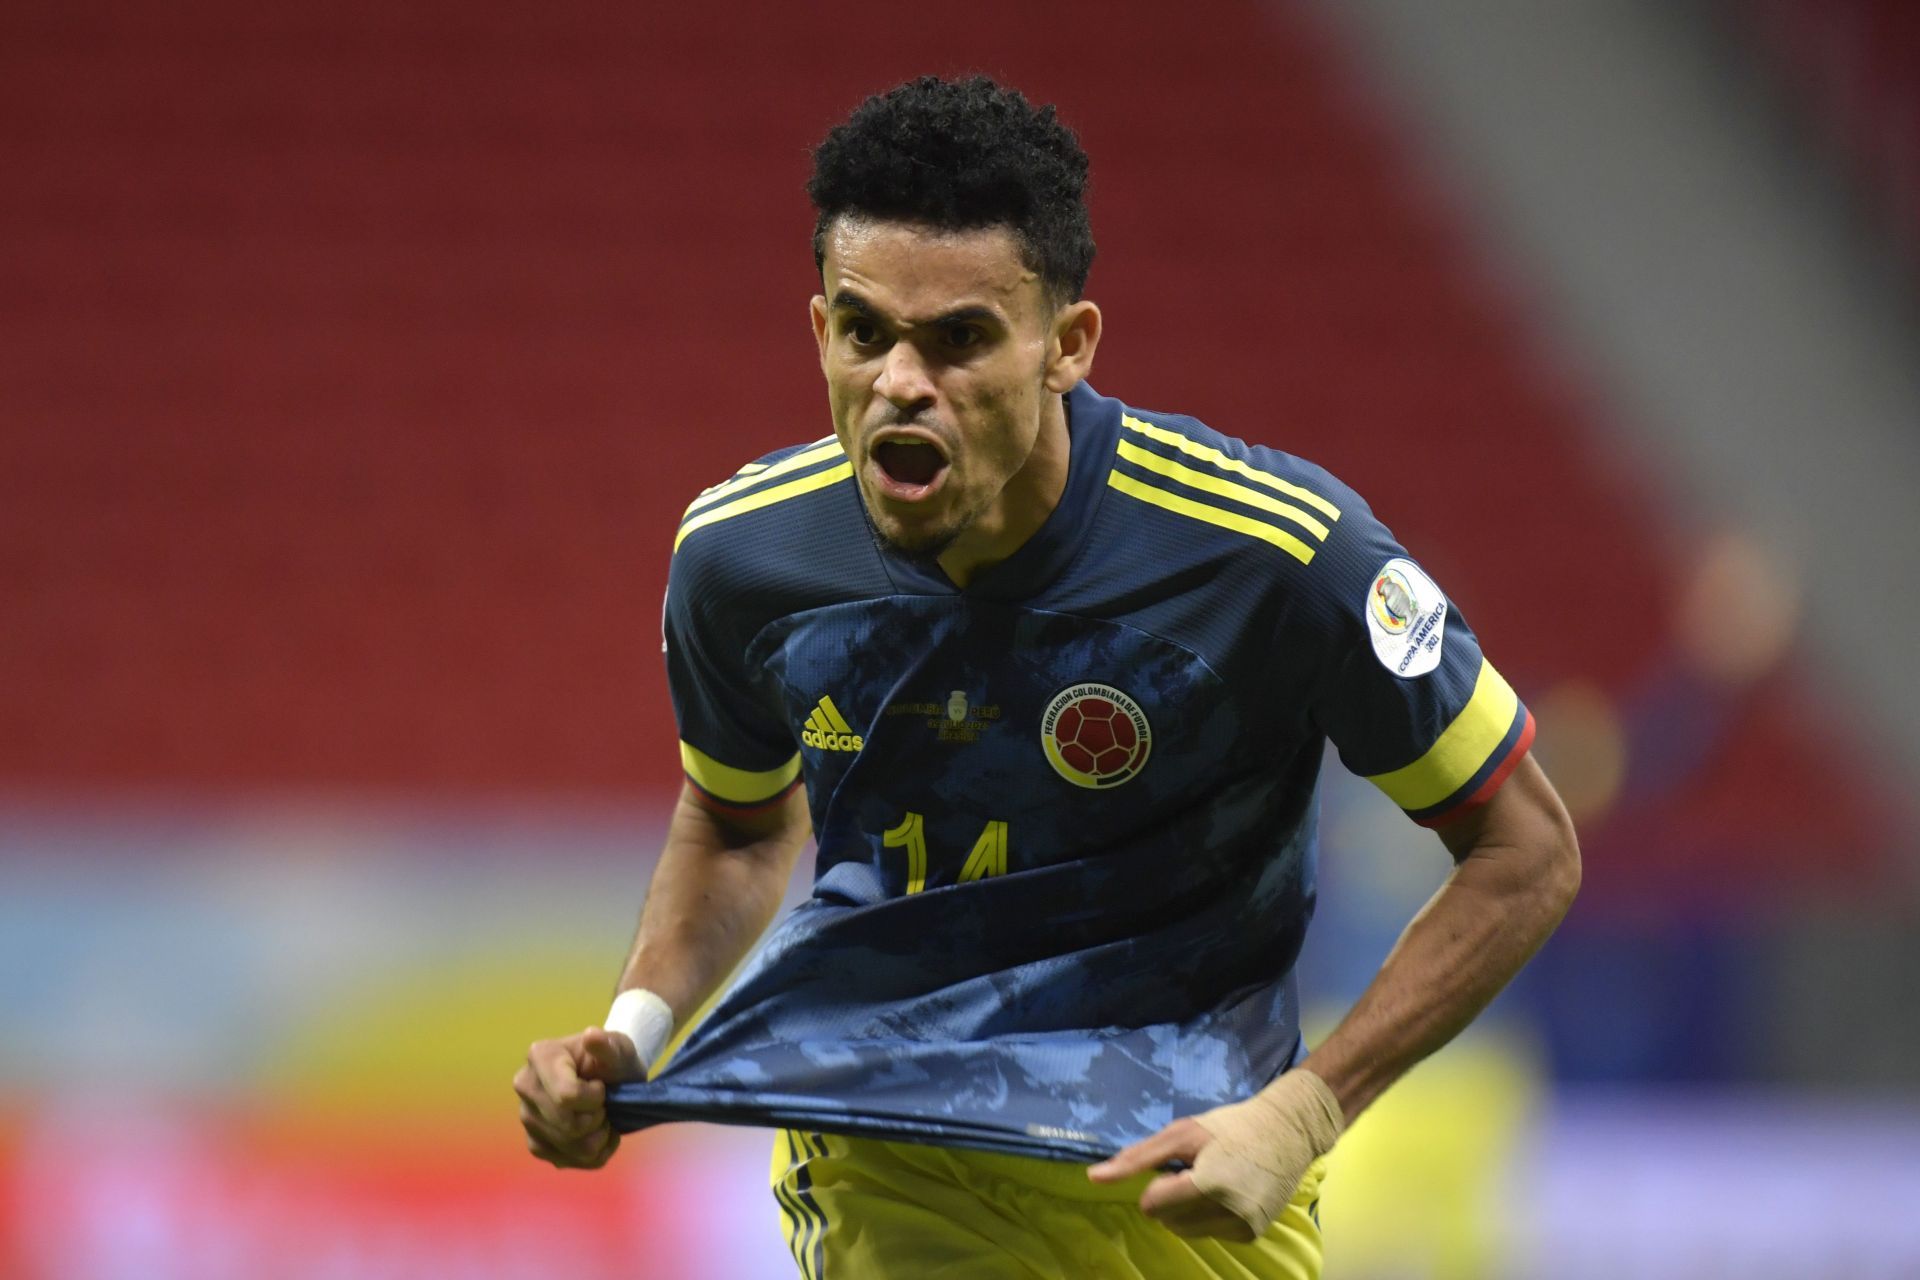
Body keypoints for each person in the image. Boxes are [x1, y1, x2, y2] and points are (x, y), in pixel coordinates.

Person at [514, 75, 1580, 1279]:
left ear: (1066, 345)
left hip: (1184, 1163)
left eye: (960, 338)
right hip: (889, 1148)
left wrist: (1303, 1112)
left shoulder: (1276, 554)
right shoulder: (742, 559)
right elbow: (738, 820)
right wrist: (632, 1033)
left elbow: (1525, 849)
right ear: (820, 331)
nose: (901, 382)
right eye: (865, 331)